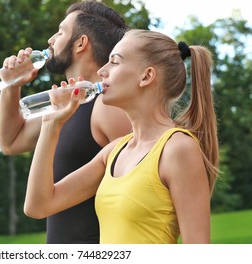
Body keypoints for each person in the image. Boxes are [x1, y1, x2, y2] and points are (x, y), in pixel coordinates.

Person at [24, 29, 220, 244]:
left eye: (114, 62)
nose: (102, 71)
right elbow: (38, 206)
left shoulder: (177, 148)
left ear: (146, 76)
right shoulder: (115, 150)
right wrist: (51, 124)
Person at [0, 0, 132, 244]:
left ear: (81, 43)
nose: (50, 39)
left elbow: (137, 189)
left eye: (60, 31)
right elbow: (11, 142)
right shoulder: (65, 104)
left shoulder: (108, 107)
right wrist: (11, 86)